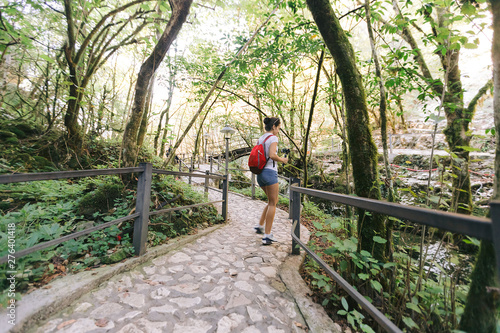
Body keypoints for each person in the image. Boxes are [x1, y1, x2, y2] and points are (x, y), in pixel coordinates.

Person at [254, 117, 288, 245]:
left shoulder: (261, 138)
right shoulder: (273, 138)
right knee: (273, 203)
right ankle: (267, 236)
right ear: (274, 127)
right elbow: (272, 155)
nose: (278, 131)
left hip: (260, 174)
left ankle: (260, 226)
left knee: (270, 201)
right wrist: (283, 160)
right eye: (278, 128)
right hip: (270, 173)